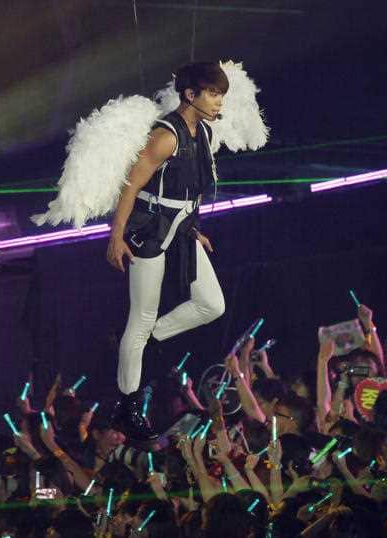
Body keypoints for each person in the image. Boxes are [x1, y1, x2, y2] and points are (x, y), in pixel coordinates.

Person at [107, 62, 230, 441]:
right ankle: (127, 407)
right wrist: (116, 236)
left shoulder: (203, 131)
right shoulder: (165, 136)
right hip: (150, 230)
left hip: (182, 229)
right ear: (190, 95)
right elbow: (130, 185)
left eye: (221, 94)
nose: (219, 101)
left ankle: (145, 341)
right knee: (141, 315)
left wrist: (194, 229)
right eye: (213, 93)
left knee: (212, 305)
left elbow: (188, 190)